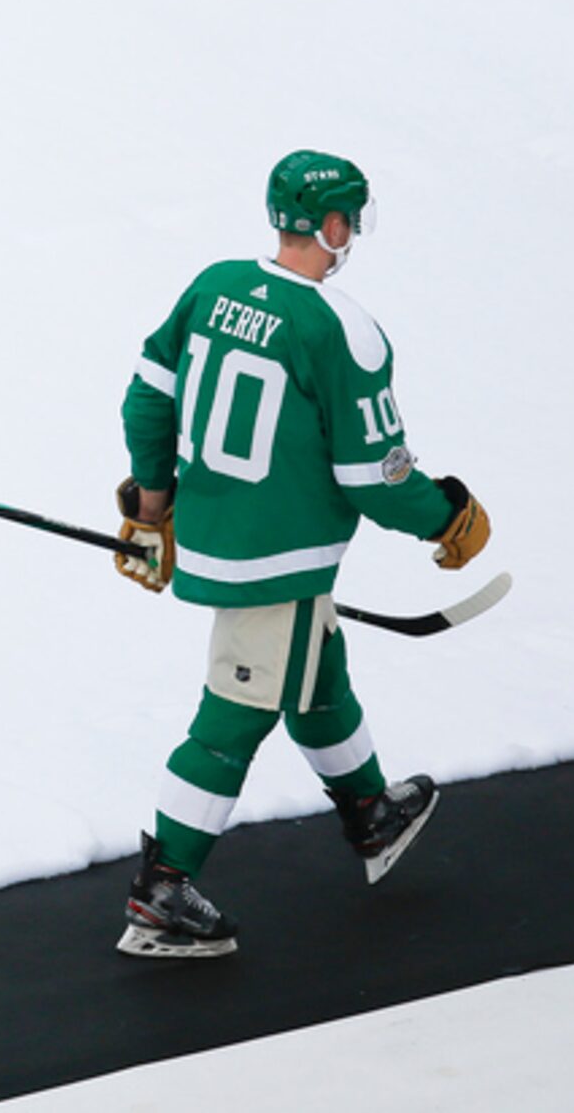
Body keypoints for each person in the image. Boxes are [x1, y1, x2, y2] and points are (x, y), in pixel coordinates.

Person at [108, 150, 490, 958]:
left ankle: (368, 812)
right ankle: (163, 888)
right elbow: (372, 476)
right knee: (232, 718)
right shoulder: (338, 328)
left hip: (225, 538)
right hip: (273, 559)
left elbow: (148, 397)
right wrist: (443, 519)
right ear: (335, 225)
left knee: (314, 679)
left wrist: (150, 506)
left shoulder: (213, 284)